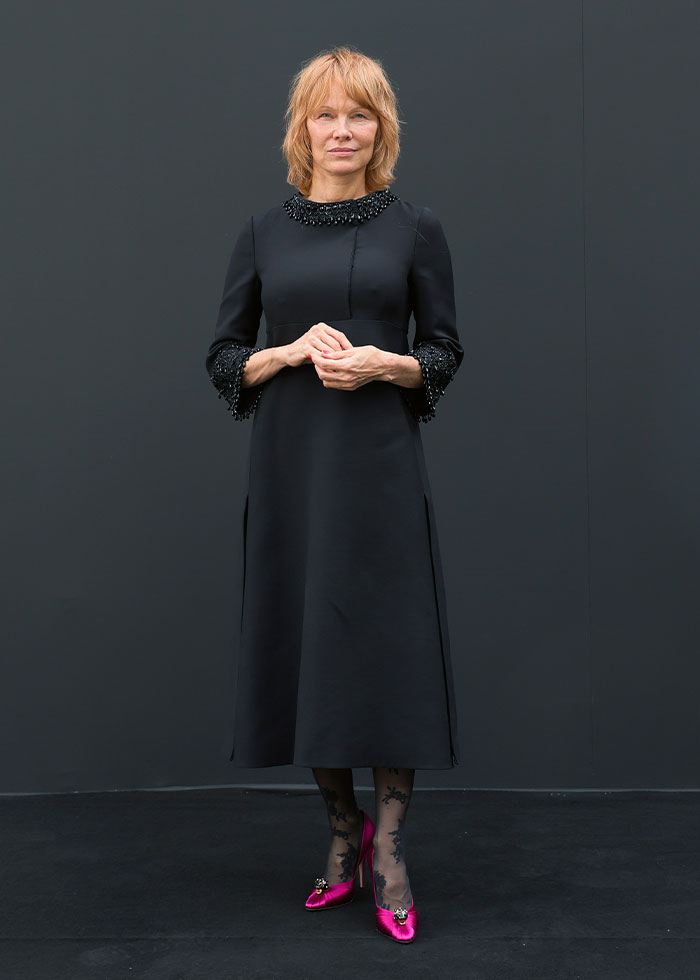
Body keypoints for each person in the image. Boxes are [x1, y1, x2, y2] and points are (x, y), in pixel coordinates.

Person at [205, 45, 464, 944]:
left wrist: (390, 363)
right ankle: (341, 837)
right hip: (292, 470)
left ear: (380, 128)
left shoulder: (415, 227)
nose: (343, 129)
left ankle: (390, 855)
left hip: (379, 465)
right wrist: (283, 355)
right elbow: (224, 357)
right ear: (303, 128)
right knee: (306, 646)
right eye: (327, 114)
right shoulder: (261, 231)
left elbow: (445, 351)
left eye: (360, 114)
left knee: (384, 654)